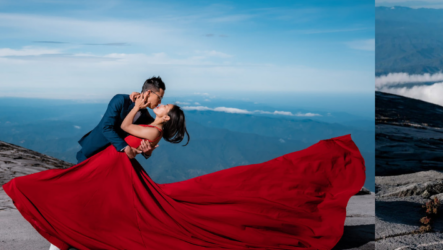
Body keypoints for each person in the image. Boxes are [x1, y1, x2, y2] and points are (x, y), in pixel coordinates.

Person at [3, 93, 365, 250]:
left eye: (164, 107)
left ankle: (63, 236)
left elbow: (128, 125)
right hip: (111, 170)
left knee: (63, 195)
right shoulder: (155, 126)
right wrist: (144, 106)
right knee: (73, 198)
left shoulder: (153, 127)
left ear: (165, 117)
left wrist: (138, 106)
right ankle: (63, 235)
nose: (161, 106)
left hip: (113, 172)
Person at [75, 76, 167, 162]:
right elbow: (106, 127)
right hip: (93, 151)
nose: (160, 102)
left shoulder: (146, 117)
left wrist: (147, 152)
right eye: (159, 97)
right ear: (148, 92)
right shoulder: (121, 100)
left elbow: (142, 142)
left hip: (112, 160)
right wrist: (125, 147)